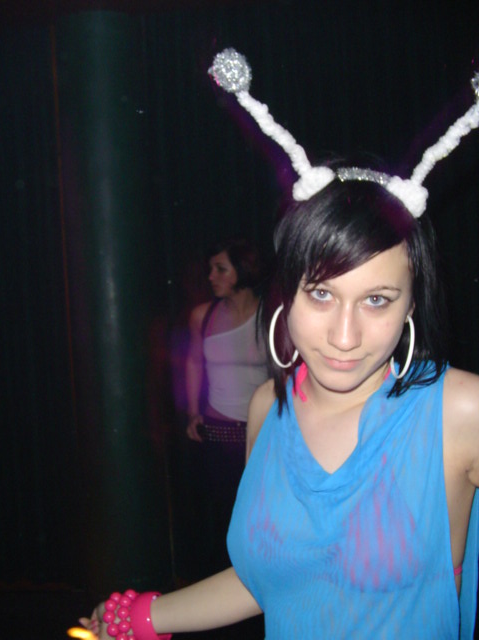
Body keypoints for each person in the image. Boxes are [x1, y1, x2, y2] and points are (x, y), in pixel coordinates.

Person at [80, 50, 479, 639]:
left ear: (411, 304)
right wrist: (139, 617)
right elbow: (274, 579)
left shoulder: (460, 411)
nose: (345, 336)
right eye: (321, 294)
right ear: (286, 294)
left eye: (377, 299)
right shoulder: (267, 410)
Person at [184, 237, 269, 575]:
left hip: (260, 435)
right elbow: (193, 361)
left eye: (220, 269)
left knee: (259, 518)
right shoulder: (202, 316)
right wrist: (193, 411)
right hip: (217, 432)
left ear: (243, 270)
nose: (211, 276)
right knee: (221, 520)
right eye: (211, 269)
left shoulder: (271, 315)